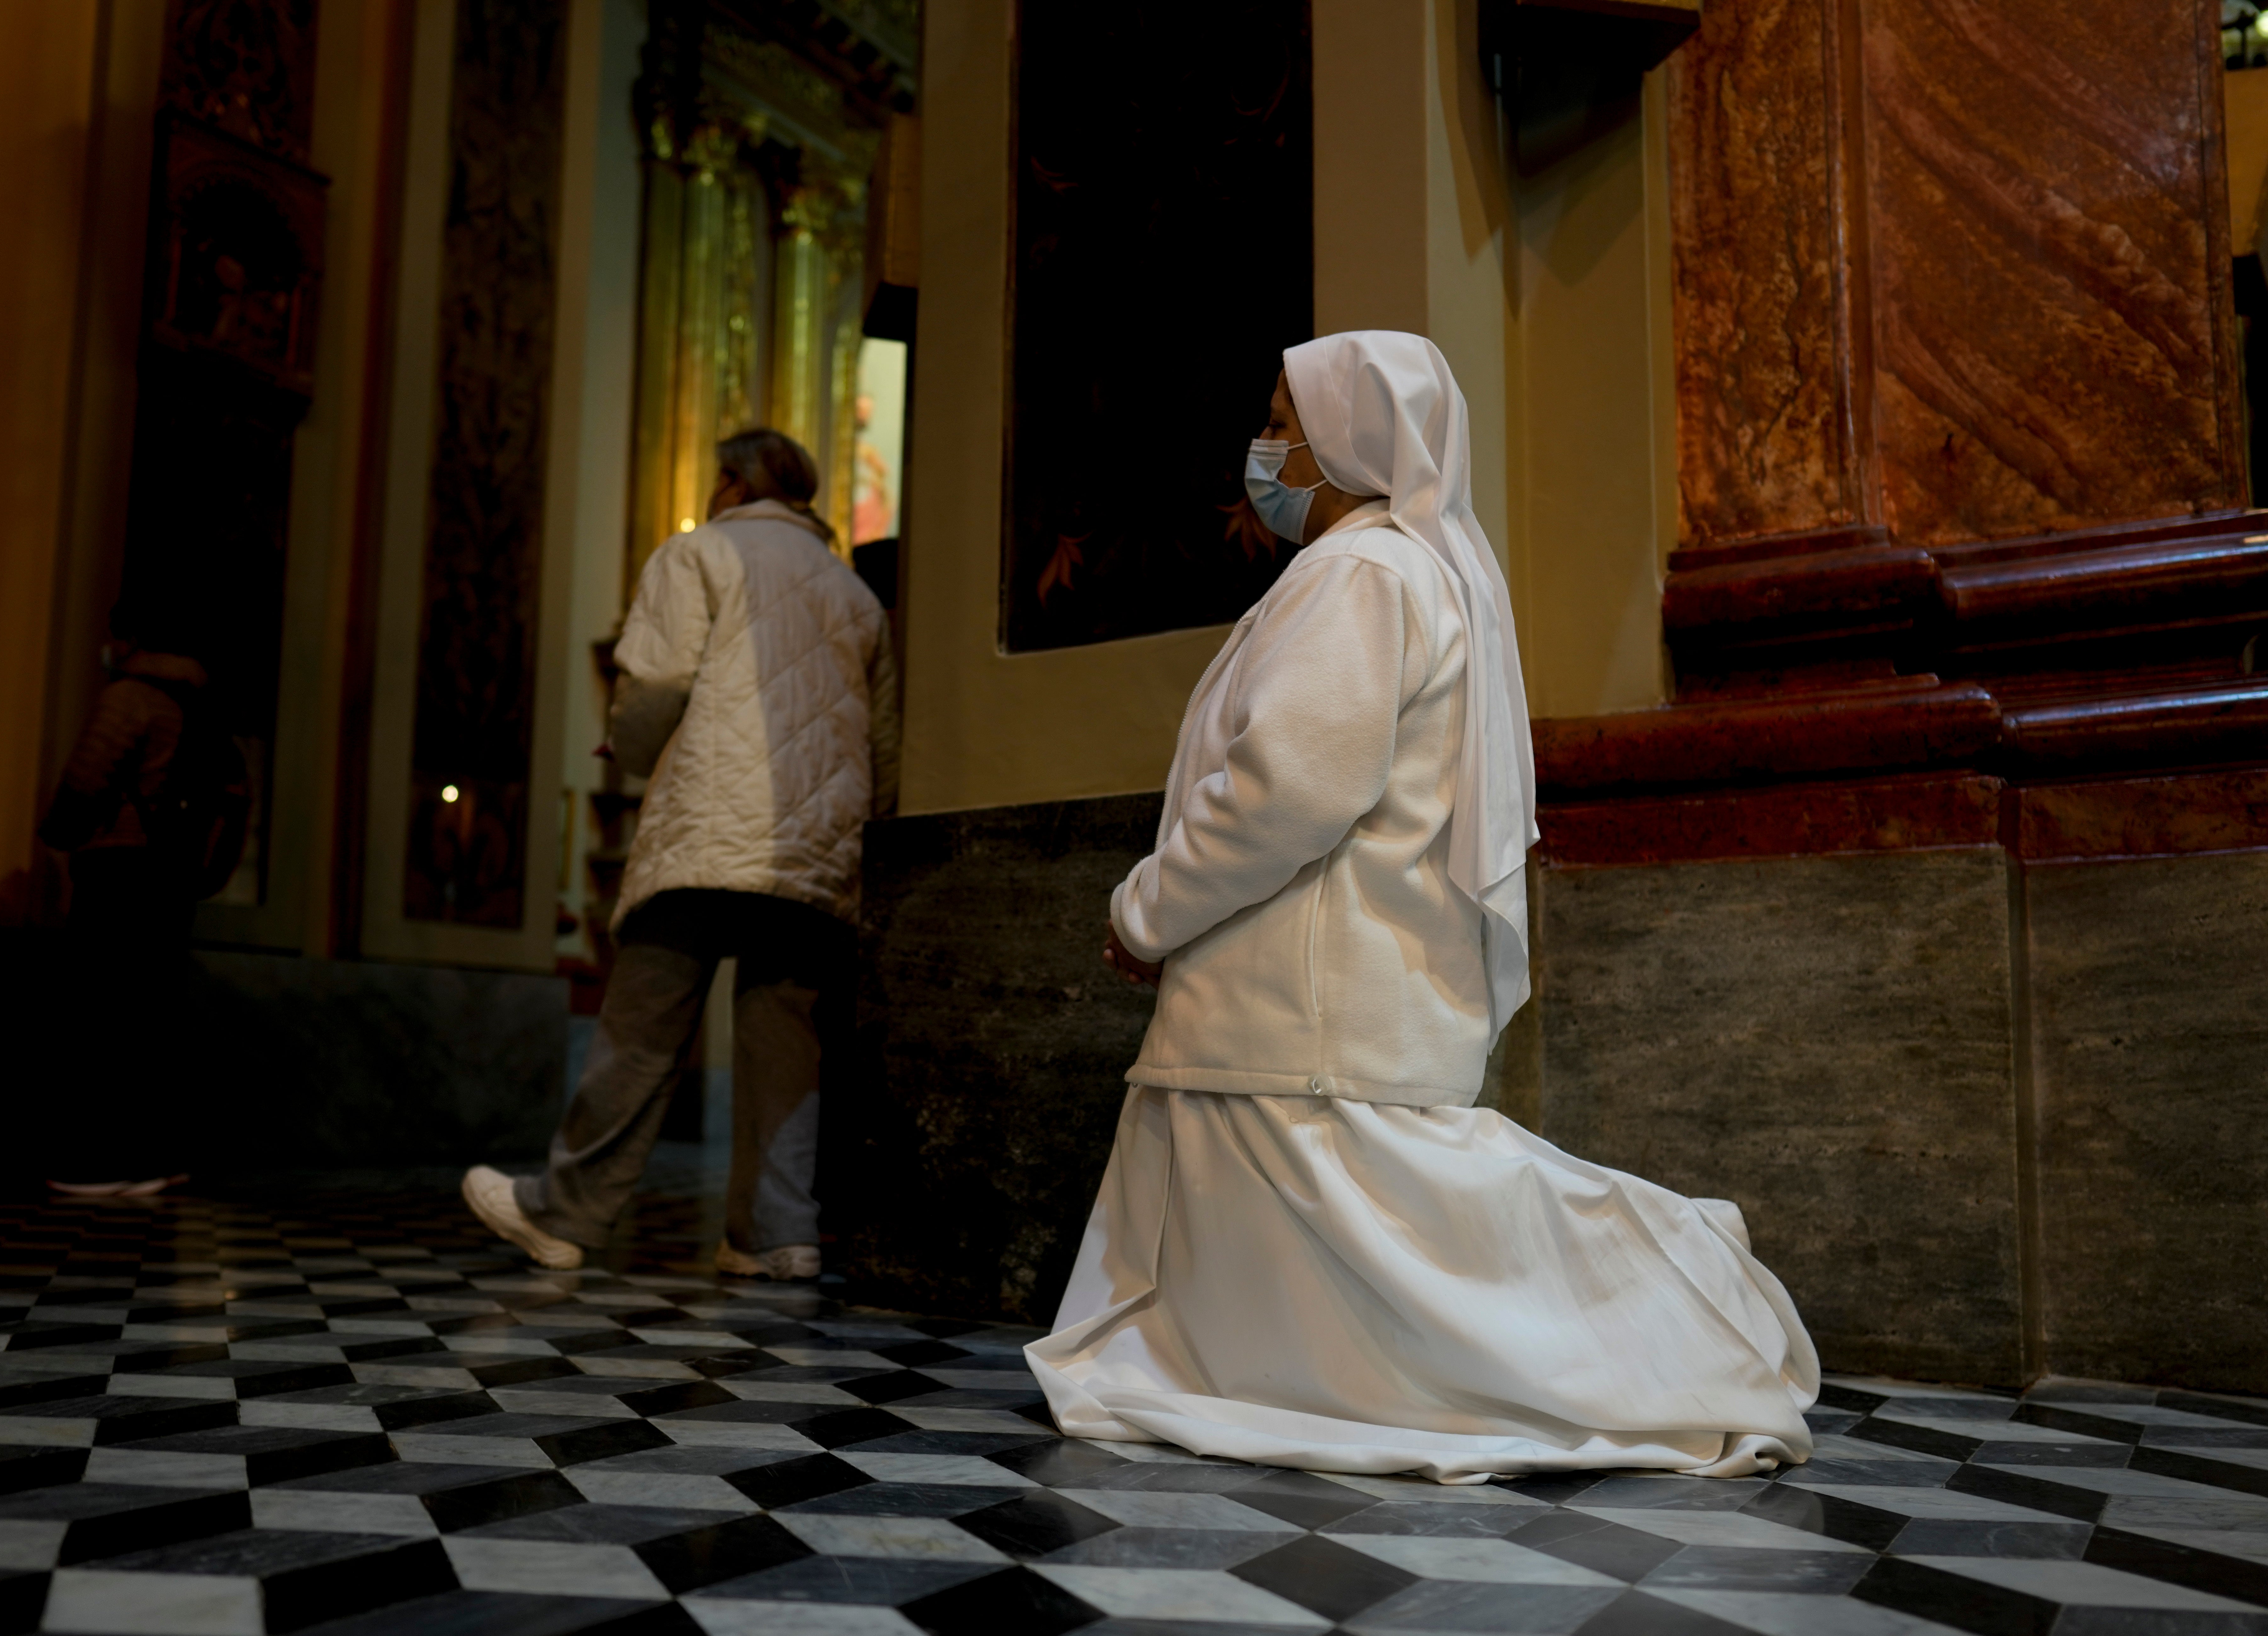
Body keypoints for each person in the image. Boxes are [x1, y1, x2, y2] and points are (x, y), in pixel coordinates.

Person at [1025, 331, 1819, 1482]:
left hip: (1301, 992)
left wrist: (1150, 909)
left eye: (1284, 426)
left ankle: (1685, 1297)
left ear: (1350, 442)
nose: (1266, 450)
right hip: (1305, 993)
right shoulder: (1398, 571)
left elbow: (1290, 786)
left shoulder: (1363, 575)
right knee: (1383, 1270)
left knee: (1420, 1266)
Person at [464, 428, 899, 1280]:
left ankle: (565, 1214)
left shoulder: (699, 555)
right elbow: (884, 744)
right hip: (815, 846)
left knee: (642, 1029)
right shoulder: (854, 595)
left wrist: (627, 746)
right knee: (786, 1040)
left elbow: (656, 682)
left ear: (736, 483)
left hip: (709, 825)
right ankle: (776, 1234)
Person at [36, 592, 244, 1197]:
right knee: (151, 1016)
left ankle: (95, 1162)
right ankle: (154, 1158)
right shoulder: (207, 710)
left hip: (120, 871)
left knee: (100, 1015)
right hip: (173, 879)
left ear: (134, 639)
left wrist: (61, 834)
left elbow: (84, 782)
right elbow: (234, 798)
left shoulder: (130, 698)